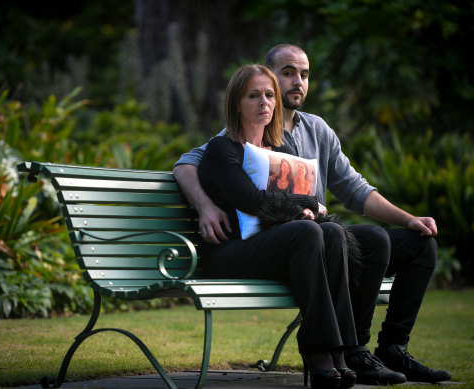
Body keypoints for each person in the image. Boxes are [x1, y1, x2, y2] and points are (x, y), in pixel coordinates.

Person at [173, 44, 451, 385]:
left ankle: (357, 351)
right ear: (241, 99)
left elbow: (354, 188)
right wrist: (205, 205)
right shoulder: (225, 143)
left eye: (303, 75)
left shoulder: (302, 137)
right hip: (252, 244)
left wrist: (407, 219)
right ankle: (327, 353)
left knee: (372, 237)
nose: (268, 100)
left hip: (303, 236)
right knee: (316, 233)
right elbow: (197, 168)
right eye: (286, 74)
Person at [198, 63, 357, 388]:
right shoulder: (222, 149)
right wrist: (309, 205)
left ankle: (340, 352)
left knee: (332, 231)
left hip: (274, 247)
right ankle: (317, 353)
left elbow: (289, 203)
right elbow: (252, 202)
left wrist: (304, 212)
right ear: (236, 104)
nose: (264, 102)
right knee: (309, 230)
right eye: (253, 95)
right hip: (228, 252)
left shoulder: (282, 150)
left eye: (269, 95)